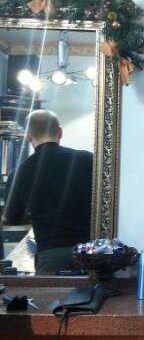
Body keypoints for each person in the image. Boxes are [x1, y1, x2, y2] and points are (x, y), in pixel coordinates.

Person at [3, 109, 93, 275]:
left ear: (28, 137)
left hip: (51, 254)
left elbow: (13, 217)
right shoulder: (88, 160)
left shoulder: (19, 173)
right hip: (90, 252)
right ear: (60, 132)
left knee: (48, 291)